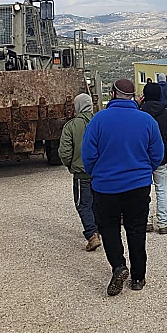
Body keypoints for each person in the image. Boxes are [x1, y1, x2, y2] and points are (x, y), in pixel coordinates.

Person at [82, 79, 164, 295]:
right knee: (136, 229)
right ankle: (138, 277)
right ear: (135, 96)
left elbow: (88, 156)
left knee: (109, 229)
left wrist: (97, 173)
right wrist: (144, 170)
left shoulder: (98, 120)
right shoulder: (146, 121)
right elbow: (157, 154)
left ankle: (118, 266)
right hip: (138, 186)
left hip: (105, 186)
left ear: (112, 93)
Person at [58, 94, 101, 252]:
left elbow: (64, 153)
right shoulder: (100, 122)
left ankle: (92, 235)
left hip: (81, 174)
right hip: (100, 173)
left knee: (83, 204)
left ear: (77, 106)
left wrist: (71, 165)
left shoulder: (71, 126)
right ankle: (99, 229)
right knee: (97, 202)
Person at [140, 83, 167, 235]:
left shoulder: (139, 112)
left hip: (142, 157)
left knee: (144, 190)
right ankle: (163, 223)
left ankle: (147, 221)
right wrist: (163, 145)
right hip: (160, 156)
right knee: (161, 189)